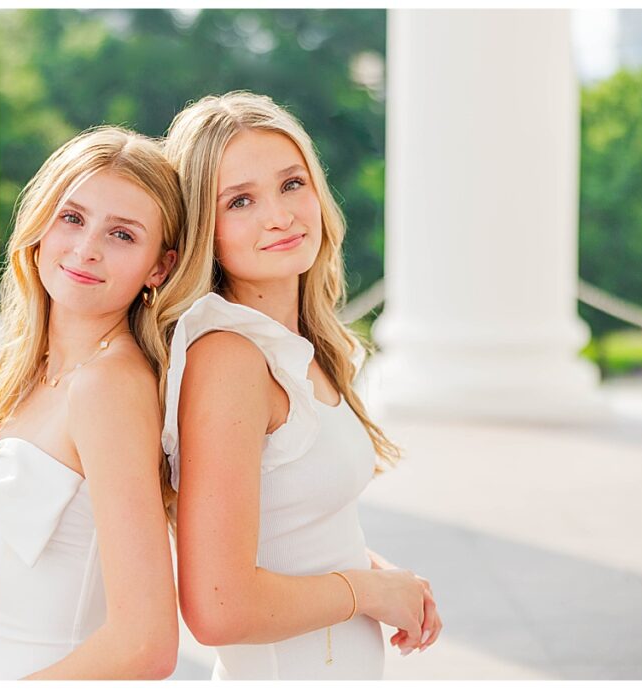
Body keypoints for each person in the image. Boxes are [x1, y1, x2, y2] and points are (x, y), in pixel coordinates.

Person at [0, 125, 198, 680]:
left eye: (122, 234)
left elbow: (146, 644)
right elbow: (27, 565)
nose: (86, 248)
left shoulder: (107, 388)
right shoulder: (35, 367)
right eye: (72, 217)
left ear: (160, 266)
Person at [161, 91, 443, 680]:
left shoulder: (294, 346)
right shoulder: (229, 359)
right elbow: (218, 610)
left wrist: (385, 577)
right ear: (202, 229)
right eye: (240, 200)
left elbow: (293, 535)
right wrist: (369, 591)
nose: (280, 215)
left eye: (292, 184)